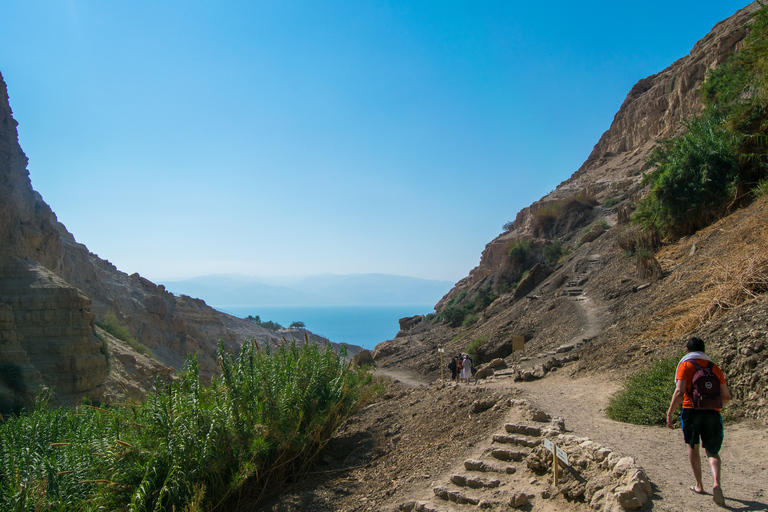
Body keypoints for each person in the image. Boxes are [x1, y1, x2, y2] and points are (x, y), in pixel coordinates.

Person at [666, 336, 731, 506]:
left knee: (693, 447)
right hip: (713, 413)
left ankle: (699, 485)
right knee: (712, 451)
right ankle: (717, 483)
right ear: (704, 350)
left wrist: (670, 413)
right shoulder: (714, 368)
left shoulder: (685, 365)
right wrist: (714, 405)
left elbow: (679, 392)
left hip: (691, 411)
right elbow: (726, 396)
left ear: (687, 350)